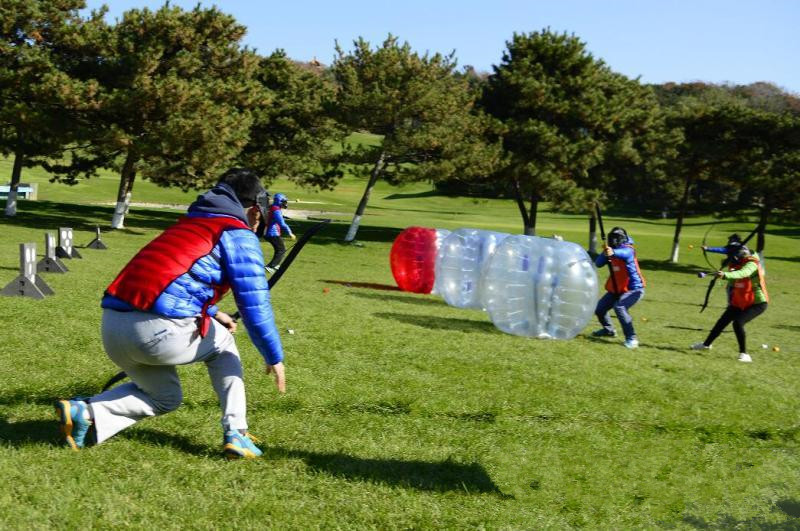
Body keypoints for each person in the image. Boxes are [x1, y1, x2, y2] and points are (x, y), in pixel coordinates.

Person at [55, 168, 285, 459]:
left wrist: (214, 312)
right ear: (254, 209)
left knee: (165, 398)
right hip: (155, 332)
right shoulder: (237, 234)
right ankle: (237, 433)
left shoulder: (186, 225)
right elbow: (254, 304)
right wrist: (273, 356)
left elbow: (169, 278)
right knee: (224, 346)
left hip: (113, 327)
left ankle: (85, 411)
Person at [691, 245, 769, 362]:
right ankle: (706, 345)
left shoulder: (752, 263)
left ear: (740, 255)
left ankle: (744, 354)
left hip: (757, 302)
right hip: (739, 301)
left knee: (738, 323)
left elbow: (743, 274)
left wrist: (726, 275)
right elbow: (735, 279)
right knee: (722, 322)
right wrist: (721, 275)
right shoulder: (739, 263)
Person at [591, 227, 646, 349]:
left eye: (615, 239)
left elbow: (624, 254)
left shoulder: (629, 249)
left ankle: (632, 338)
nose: (613, 241)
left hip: (634, 289)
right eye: (611, 239)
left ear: (622, 239)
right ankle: (608, 330)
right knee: (599, 309)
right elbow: (598, 264)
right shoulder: (611, 249)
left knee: (620, 307)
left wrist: (613, 252)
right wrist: (605, 253)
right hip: (617, 288)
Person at [261, 193, 296, 274]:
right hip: (272, 233)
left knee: (280, 249)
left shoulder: (274, 208)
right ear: (279, 201)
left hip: (271, 233)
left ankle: (275, 265)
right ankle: (271, 266)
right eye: (284, 201)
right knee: (281, 250)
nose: (285, 203)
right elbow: (282, 223)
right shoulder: (276, 210)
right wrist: (290, 233)